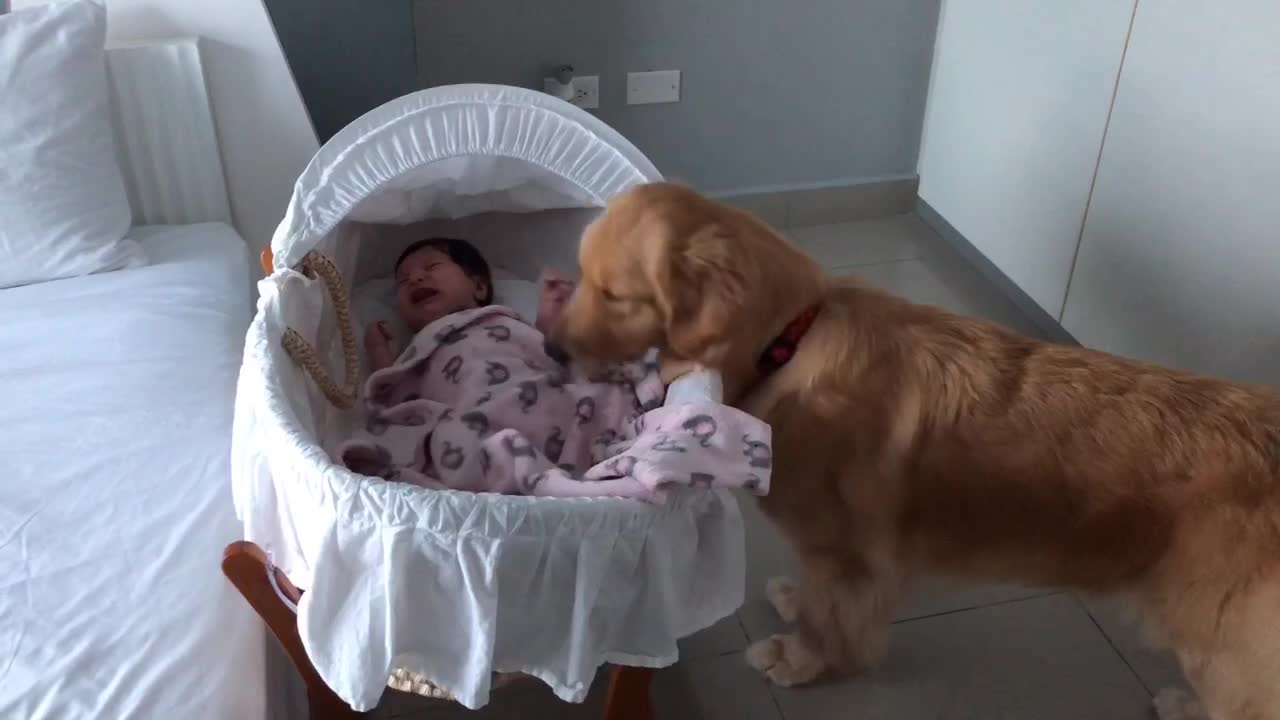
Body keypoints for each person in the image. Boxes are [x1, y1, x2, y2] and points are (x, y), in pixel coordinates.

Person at [363, 237, 574, 372]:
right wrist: (379, 351)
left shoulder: (501, 319)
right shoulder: (414, 351)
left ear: (479, 286)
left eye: (432, 266)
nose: (415, 278)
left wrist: (550, 320)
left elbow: (548, 357)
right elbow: (390, 401)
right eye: (403, 280)